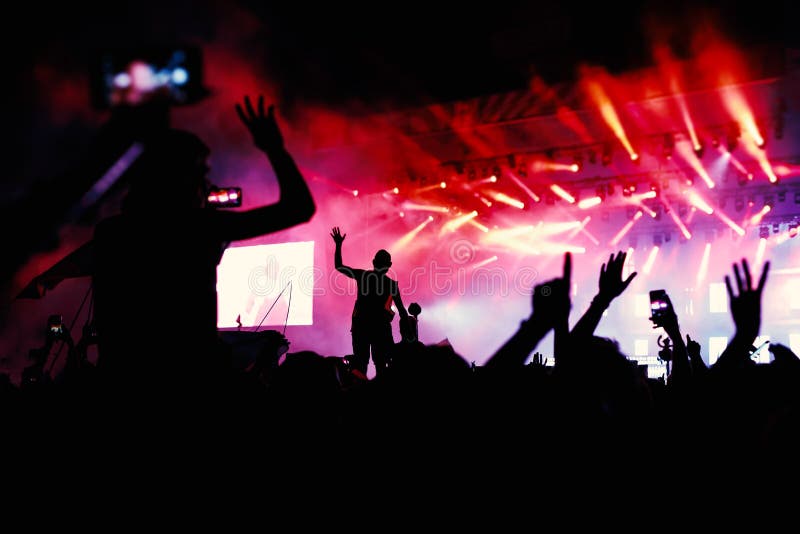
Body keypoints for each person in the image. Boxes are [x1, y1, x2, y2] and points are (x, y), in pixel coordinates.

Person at [26, 96, 315, 394]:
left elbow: (84, 258)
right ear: (179, 177)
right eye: (201, 172)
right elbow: (299, 208)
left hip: (122, 382)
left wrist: (49, 278)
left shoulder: (113, 232)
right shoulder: (200, 227)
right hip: (190, 380)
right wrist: (273, 148)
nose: (207, 183)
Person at [330, 227, 408, 378]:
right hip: (381, 329)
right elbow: (402, 311)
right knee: (381, 365)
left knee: (361, 364)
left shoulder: (363, 276)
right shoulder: (391, 284)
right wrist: (409, 337)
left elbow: (339, 267)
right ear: (389, 265)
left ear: (374, 262)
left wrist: (338, 245)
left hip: (361, 327)